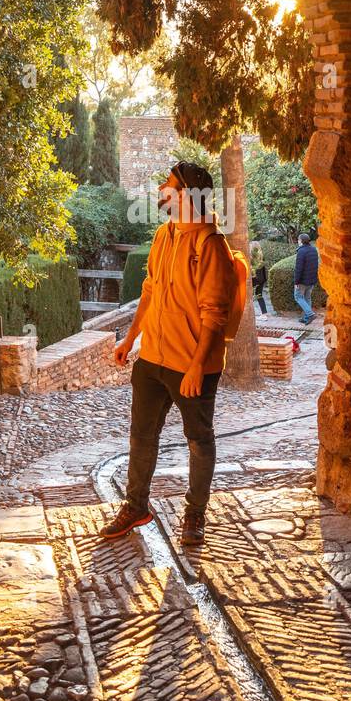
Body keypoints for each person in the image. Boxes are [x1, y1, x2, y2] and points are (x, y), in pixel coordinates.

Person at [100, 161, 236, 547]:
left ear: (187, 195)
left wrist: (197, 367)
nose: (161, 188)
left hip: (191, 365)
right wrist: (130, 338)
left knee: (198, 438)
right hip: (153, 358)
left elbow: (215, 314)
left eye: (169, 184)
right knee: (141, 435)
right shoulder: (164, 235)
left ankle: (195, 514)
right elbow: (150, 289)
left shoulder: (211, 245)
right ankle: (136, 506)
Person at [293, 232, 318, 325]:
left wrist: (296, 282)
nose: (298, 241)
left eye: (298, 240)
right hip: (311, 279)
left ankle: (310, 314)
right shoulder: (314, 249)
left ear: (301, 241)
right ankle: (307, 317)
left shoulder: (301, 251)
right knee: (307, 297)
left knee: (298, 296)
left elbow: (298, 268)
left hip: (303, 280)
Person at [250, 242, 268, 315]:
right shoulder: (261, 256)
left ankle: (249, 314)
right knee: (259, 296)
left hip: (254, 279)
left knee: (248, 297)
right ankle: (264, 314)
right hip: (261, 279)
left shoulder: (251, 257)